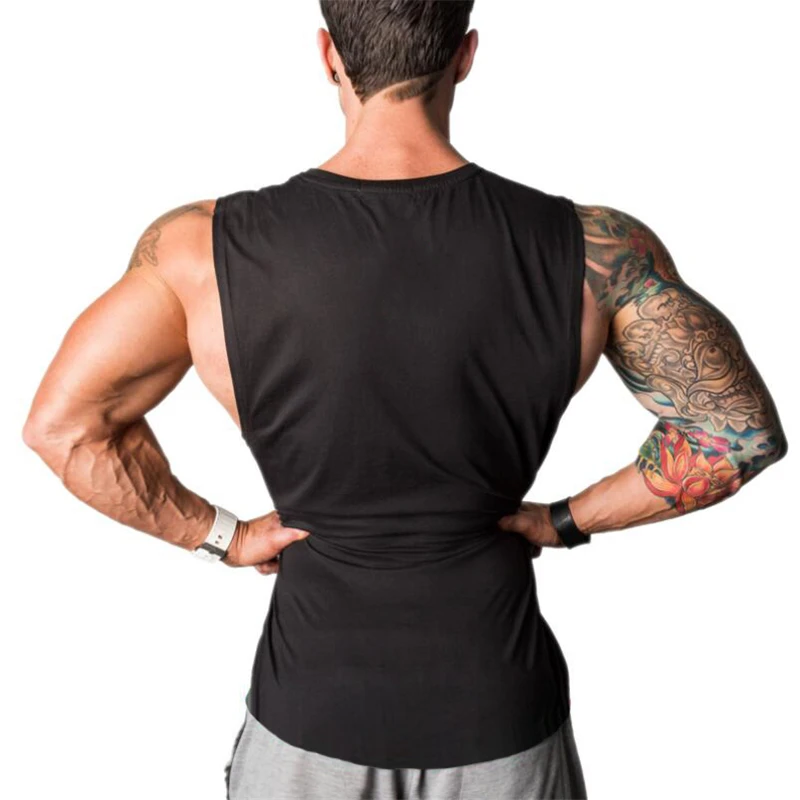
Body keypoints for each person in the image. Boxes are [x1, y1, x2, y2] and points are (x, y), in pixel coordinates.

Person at [22, 2, 788, 799]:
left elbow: (64, 428)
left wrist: (221, 536)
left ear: (328, 55)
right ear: (465, 54)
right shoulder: (594, 248)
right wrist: (564, 520)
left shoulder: (199, 249)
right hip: (499, 716)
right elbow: (736, 435)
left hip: (309, 717)